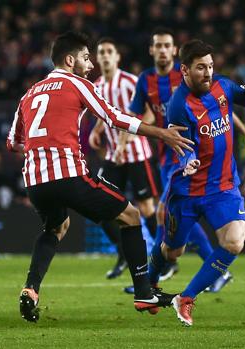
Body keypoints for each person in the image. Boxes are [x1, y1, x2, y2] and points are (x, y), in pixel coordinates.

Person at [6, 31, 193, 322]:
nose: (90, 64)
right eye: (84, 58)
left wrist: (42, 150)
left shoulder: (28, 93)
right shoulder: (78, 84)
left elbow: (13, 143)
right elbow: (115, 117)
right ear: (70, 60)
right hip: (68, 174)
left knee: (56, 228)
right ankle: (144, 292)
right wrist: (162, 134)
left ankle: (31, 288)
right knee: (130, 216)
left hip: (35, 181)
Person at [122, 28, 245, 294]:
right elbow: (143, 118)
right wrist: (123, 139)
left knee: (181, 224)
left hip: (212, 176)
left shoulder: (203, 79)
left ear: (174, 52)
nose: (163, 50)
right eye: (158, 46)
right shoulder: (148, 82)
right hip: (173, 163)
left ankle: (196, 280)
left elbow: (224, 109)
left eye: (167, 46)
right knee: (172, 240)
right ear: (152, 50)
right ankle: (157, 275)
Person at [157, 39, 245, 326]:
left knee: (234, 243)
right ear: (184, 70)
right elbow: (180, 145)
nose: (207, 73)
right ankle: (148, 285)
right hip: (187, 191)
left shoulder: (223, 86)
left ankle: (186, 297)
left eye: (210, 66)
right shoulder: (178, 105)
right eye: (200, 68)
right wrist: (188, 161)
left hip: (223, 187)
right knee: (172, 251)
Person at [88, 37, 158, 280]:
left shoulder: (130, 82)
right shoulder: (96, 85)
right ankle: (123, 253)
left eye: (110, 51)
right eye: (101, 52)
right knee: (100, 204)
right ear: (97, 59)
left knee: (146, 207)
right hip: (113, 157)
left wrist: (124, 141)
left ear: (117, 57)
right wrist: (97, 131)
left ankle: (161, 257)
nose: (105, 56)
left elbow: (148, 113)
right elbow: (103, 112)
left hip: (136, 154)